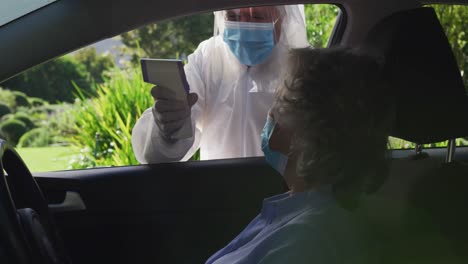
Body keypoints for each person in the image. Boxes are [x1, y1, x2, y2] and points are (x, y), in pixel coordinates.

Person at [205, 47, 394, 264]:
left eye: (280, 99)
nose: (271, 113)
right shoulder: (301, 211)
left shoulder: (305, 242)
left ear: (304, 133)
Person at [132, 5, 309, 163]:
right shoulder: (209, 57)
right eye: (232, 17)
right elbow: (168, 144)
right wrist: (171, 125)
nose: (243, 27)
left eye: (257, 18)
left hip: (280, 191)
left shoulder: (301, 67)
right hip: (218, 188)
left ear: (283, 17)